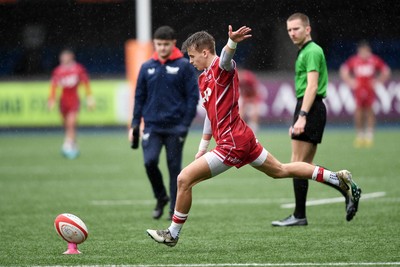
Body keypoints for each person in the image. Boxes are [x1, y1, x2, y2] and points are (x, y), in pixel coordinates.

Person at [146, 25, 362, 247]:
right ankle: (337, 178)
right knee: (281, 170)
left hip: (232, 143)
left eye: (192, 56)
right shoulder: (203, 79)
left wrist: (232, 42)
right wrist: (203, 146)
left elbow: (226, 58)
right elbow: (211, 114)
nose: (190, 61)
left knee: (183, 179)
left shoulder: (221, 69)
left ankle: (172, 234)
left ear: (204, 52)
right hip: (243, 138)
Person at [271, 13, 358, 227]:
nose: (292, 33)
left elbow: (312, 86)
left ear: (307, 29)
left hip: (309, 107)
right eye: (289, 30)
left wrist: (302, 116)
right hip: (312, 108)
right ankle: (344, 190)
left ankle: (301, 214)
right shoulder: (306, 51)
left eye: (296, 29)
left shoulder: (311, 51)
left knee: (296, 165)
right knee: (304, 166)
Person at [130, 26, 199, 220]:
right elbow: (139, 97)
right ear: (154, 44)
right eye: (159, 44)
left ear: (173, 44)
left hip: (176, 128)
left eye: (165, 44)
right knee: (149, 162)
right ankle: (161, 197)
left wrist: (185, 124)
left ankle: (172, 211)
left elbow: (192, 97)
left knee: (174, 168)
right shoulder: (146, 67)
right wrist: (135, 124)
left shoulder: (184, 66)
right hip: (152, 126)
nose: (162, 48)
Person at [340, 40, 391, 148]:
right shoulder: (355, 61)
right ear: (359, 51)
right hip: (359, 90)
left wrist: (378, 81)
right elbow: (343, 70)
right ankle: (360, 135)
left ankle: (369, 135)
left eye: (365, 51)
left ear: (368, 51)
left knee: (370, 111)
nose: (363, 53)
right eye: (361, 51)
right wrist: (351, 82)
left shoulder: (374, 60)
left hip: (370, 90)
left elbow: (386, 71)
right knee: (358, 112)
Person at [48, 49, 95, 159]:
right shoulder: (57, 71)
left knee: (71, 124)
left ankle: (68, 145)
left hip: (74, 100)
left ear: (71, 57)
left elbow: (85, 83)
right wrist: (52, 99)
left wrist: (89, 97)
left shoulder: (78, 69)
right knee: (66, 125)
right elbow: (54, 86)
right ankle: (72, 144)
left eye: (65, 57)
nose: (63, 59)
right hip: (63, 101)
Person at [238, 68, 267, 134]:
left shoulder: (249, 79)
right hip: (246, 99)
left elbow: (256, 94)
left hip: (255, 99)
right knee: (240, 113)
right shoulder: (237, 81)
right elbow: (241, 96)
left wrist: (254, 105)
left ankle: (253, 130)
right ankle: (240, 129)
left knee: (255, 112)